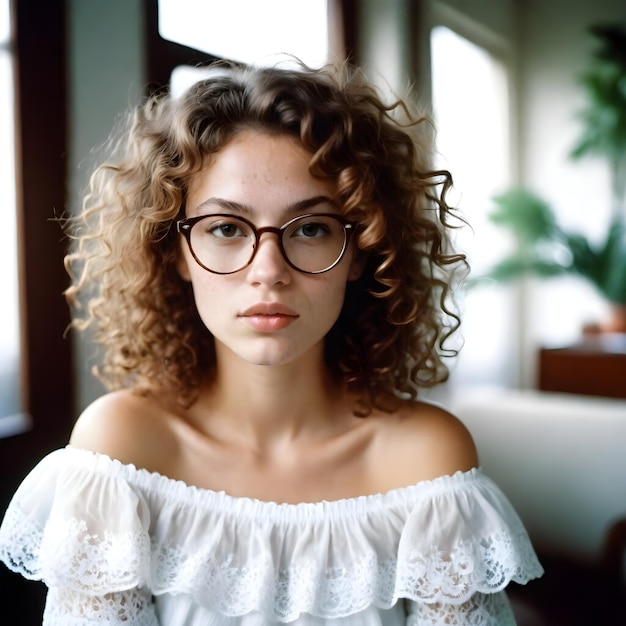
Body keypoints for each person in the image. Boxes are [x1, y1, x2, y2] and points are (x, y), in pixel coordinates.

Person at [0, 59, 542, 625]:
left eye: (309, 229)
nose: (268, 271)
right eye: (226, 228)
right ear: (177, 251)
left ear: (361, 249)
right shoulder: (123, 449)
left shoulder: (428, 463)